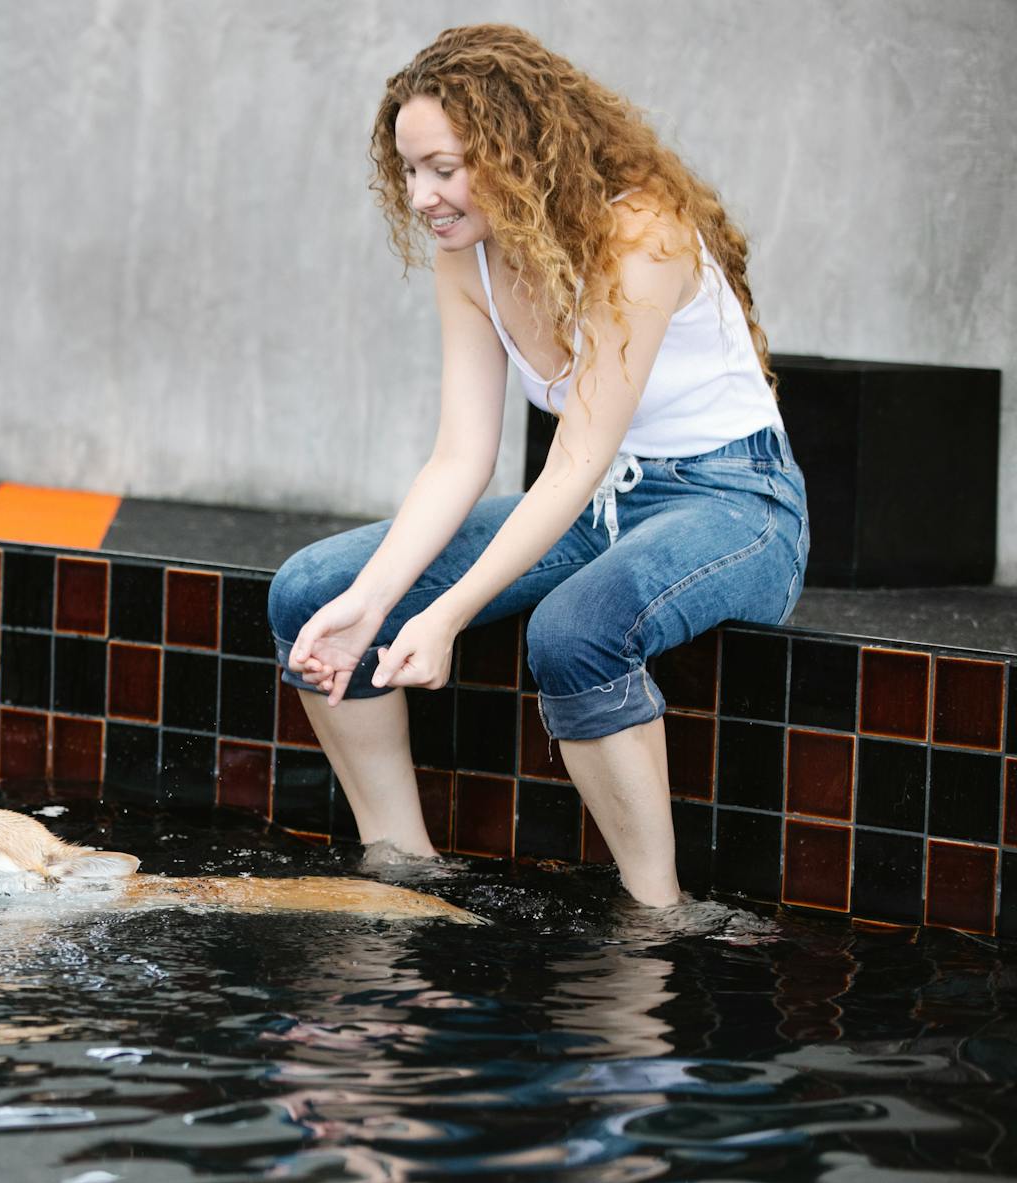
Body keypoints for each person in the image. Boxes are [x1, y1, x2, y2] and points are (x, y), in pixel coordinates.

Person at [267, 24, 808, 907]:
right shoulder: (469, 253)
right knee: (310, 594)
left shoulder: (643, 235)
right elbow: (460, 457)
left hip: (735, 502)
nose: (422, 196)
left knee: (576, 631)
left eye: (443, 167)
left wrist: (442, 616)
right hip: (599, 505)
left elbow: (574, 459)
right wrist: (370, 603)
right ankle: (400, 874)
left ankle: (659, 918)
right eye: (407, 171)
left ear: (517, 150)